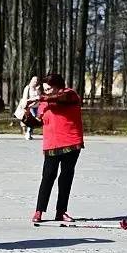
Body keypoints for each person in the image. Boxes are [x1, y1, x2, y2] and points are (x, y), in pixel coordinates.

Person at [24, 73, 84, 223]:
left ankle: (61, 211)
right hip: (51, 144)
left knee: (66, 177)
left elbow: (60, 100)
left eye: (49, 88)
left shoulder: (70, 94)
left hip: (71, 142)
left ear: (58, 86)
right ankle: (39, 211)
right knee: (48, 176)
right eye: (45, 89)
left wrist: (41, 98)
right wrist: (25, 115)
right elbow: (39, 122)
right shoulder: (44, 102)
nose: (47, 92)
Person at [18, 76, 42, 140]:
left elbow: (40, 97)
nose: (35, 82)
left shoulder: (37, 89)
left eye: (36, 81)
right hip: (29, 106)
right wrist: (26, 106)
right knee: (31, 119)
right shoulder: (27, 88)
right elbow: (25, 98)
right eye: (34, 81)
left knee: (34, 120)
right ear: (31, 81)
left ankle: (30, 133)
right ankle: (28, 133)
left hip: (36, 106)